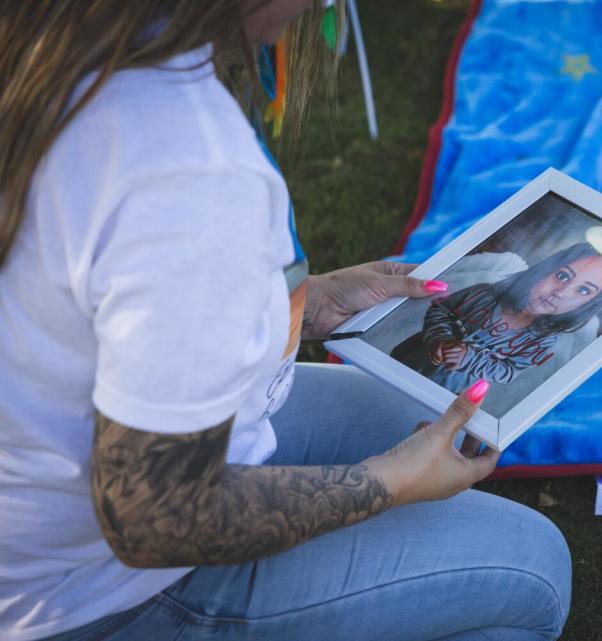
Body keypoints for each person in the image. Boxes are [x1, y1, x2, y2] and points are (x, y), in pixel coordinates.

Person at [0, 3, 571, 641]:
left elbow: (113, 303)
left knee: (425, 413)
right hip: (94, 591)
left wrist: (306, 302)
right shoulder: (189, 171)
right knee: (536, 570)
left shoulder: (63, 45)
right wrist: (387, 482)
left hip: (56, 498)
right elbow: (152, 518)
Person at [391, 243, 602, 391]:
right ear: (545, 269)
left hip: (443, 391)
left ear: (589, 304)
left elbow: (508, 372)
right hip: (406, 360)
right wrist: (439, 338)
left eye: (584, 290)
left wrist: (470, 358)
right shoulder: (485, 294)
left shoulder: (543, 342)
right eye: (563, 276)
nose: (561, 292)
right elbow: (440, 309)